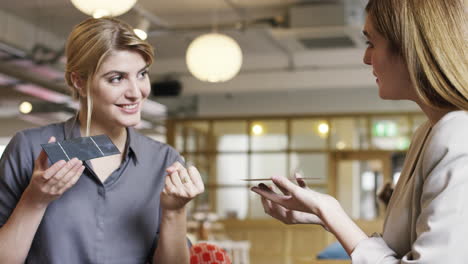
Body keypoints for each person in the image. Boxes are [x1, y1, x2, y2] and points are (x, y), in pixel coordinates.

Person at [251, 0, 468, 262]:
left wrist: (329, 210)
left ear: (410, 48)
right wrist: (326, 216)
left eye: (371, 43)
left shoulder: (458, 133)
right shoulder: (428, 132)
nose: (366, 58)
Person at [0, 17, 204, 264]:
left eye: (141, 74)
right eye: (116, 78)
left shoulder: (164, 161)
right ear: (80, 82)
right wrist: (34, 200)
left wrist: (175, 212)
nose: (136, 92)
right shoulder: (29, 149)